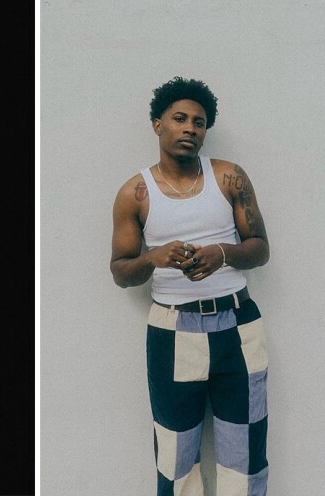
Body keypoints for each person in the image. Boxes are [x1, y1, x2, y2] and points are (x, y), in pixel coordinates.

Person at [110, 77, 270, 495]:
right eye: (179, 119)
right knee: (175, 452)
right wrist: (153, 258)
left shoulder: (229, 177)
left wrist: (222, 253)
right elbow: (120, 271)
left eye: (199, 123)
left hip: (237, 323)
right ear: (157, 124)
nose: (190, 129)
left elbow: (260, 248)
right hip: (173, 328)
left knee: (246, 450)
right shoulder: (135, 193)